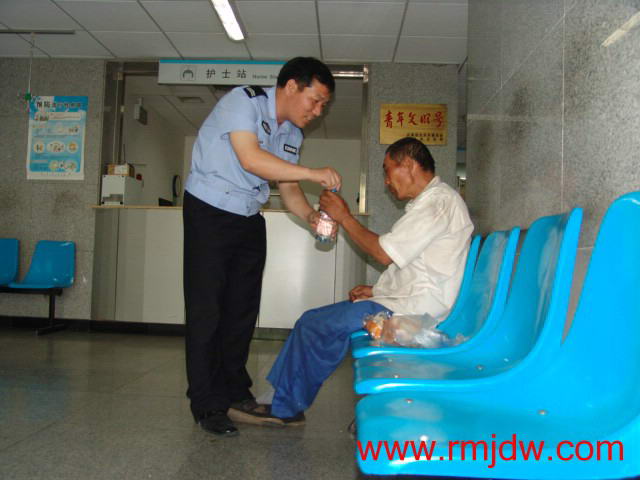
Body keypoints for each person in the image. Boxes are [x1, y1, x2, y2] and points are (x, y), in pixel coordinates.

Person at [246, 137, 473, 425]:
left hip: (416, 312)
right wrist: (377, 290)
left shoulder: (438, 203)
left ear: (408, 165)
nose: (386, 181)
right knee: (316, 322)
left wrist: (344, 217)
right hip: (409, 302)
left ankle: (284, 407)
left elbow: (383, 253)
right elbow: (421, 266)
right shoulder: (433, 202)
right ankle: (283, 399)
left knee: (314, 325)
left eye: (387, 170)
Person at [183, 57, 341, 437]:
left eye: (324, 105)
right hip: (209, 212)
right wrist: (313, 173)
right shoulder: (243, 101)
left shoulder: (293, 135)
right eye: (315, 101)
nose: (318, 112)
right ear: (291, 87)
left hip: (249, 217)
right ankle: (206, 404)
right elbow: (252, 159)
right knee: (208, 311)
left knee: (241, 312)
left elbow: (288, 189)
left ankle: (235, 393)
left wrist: (311, 216)